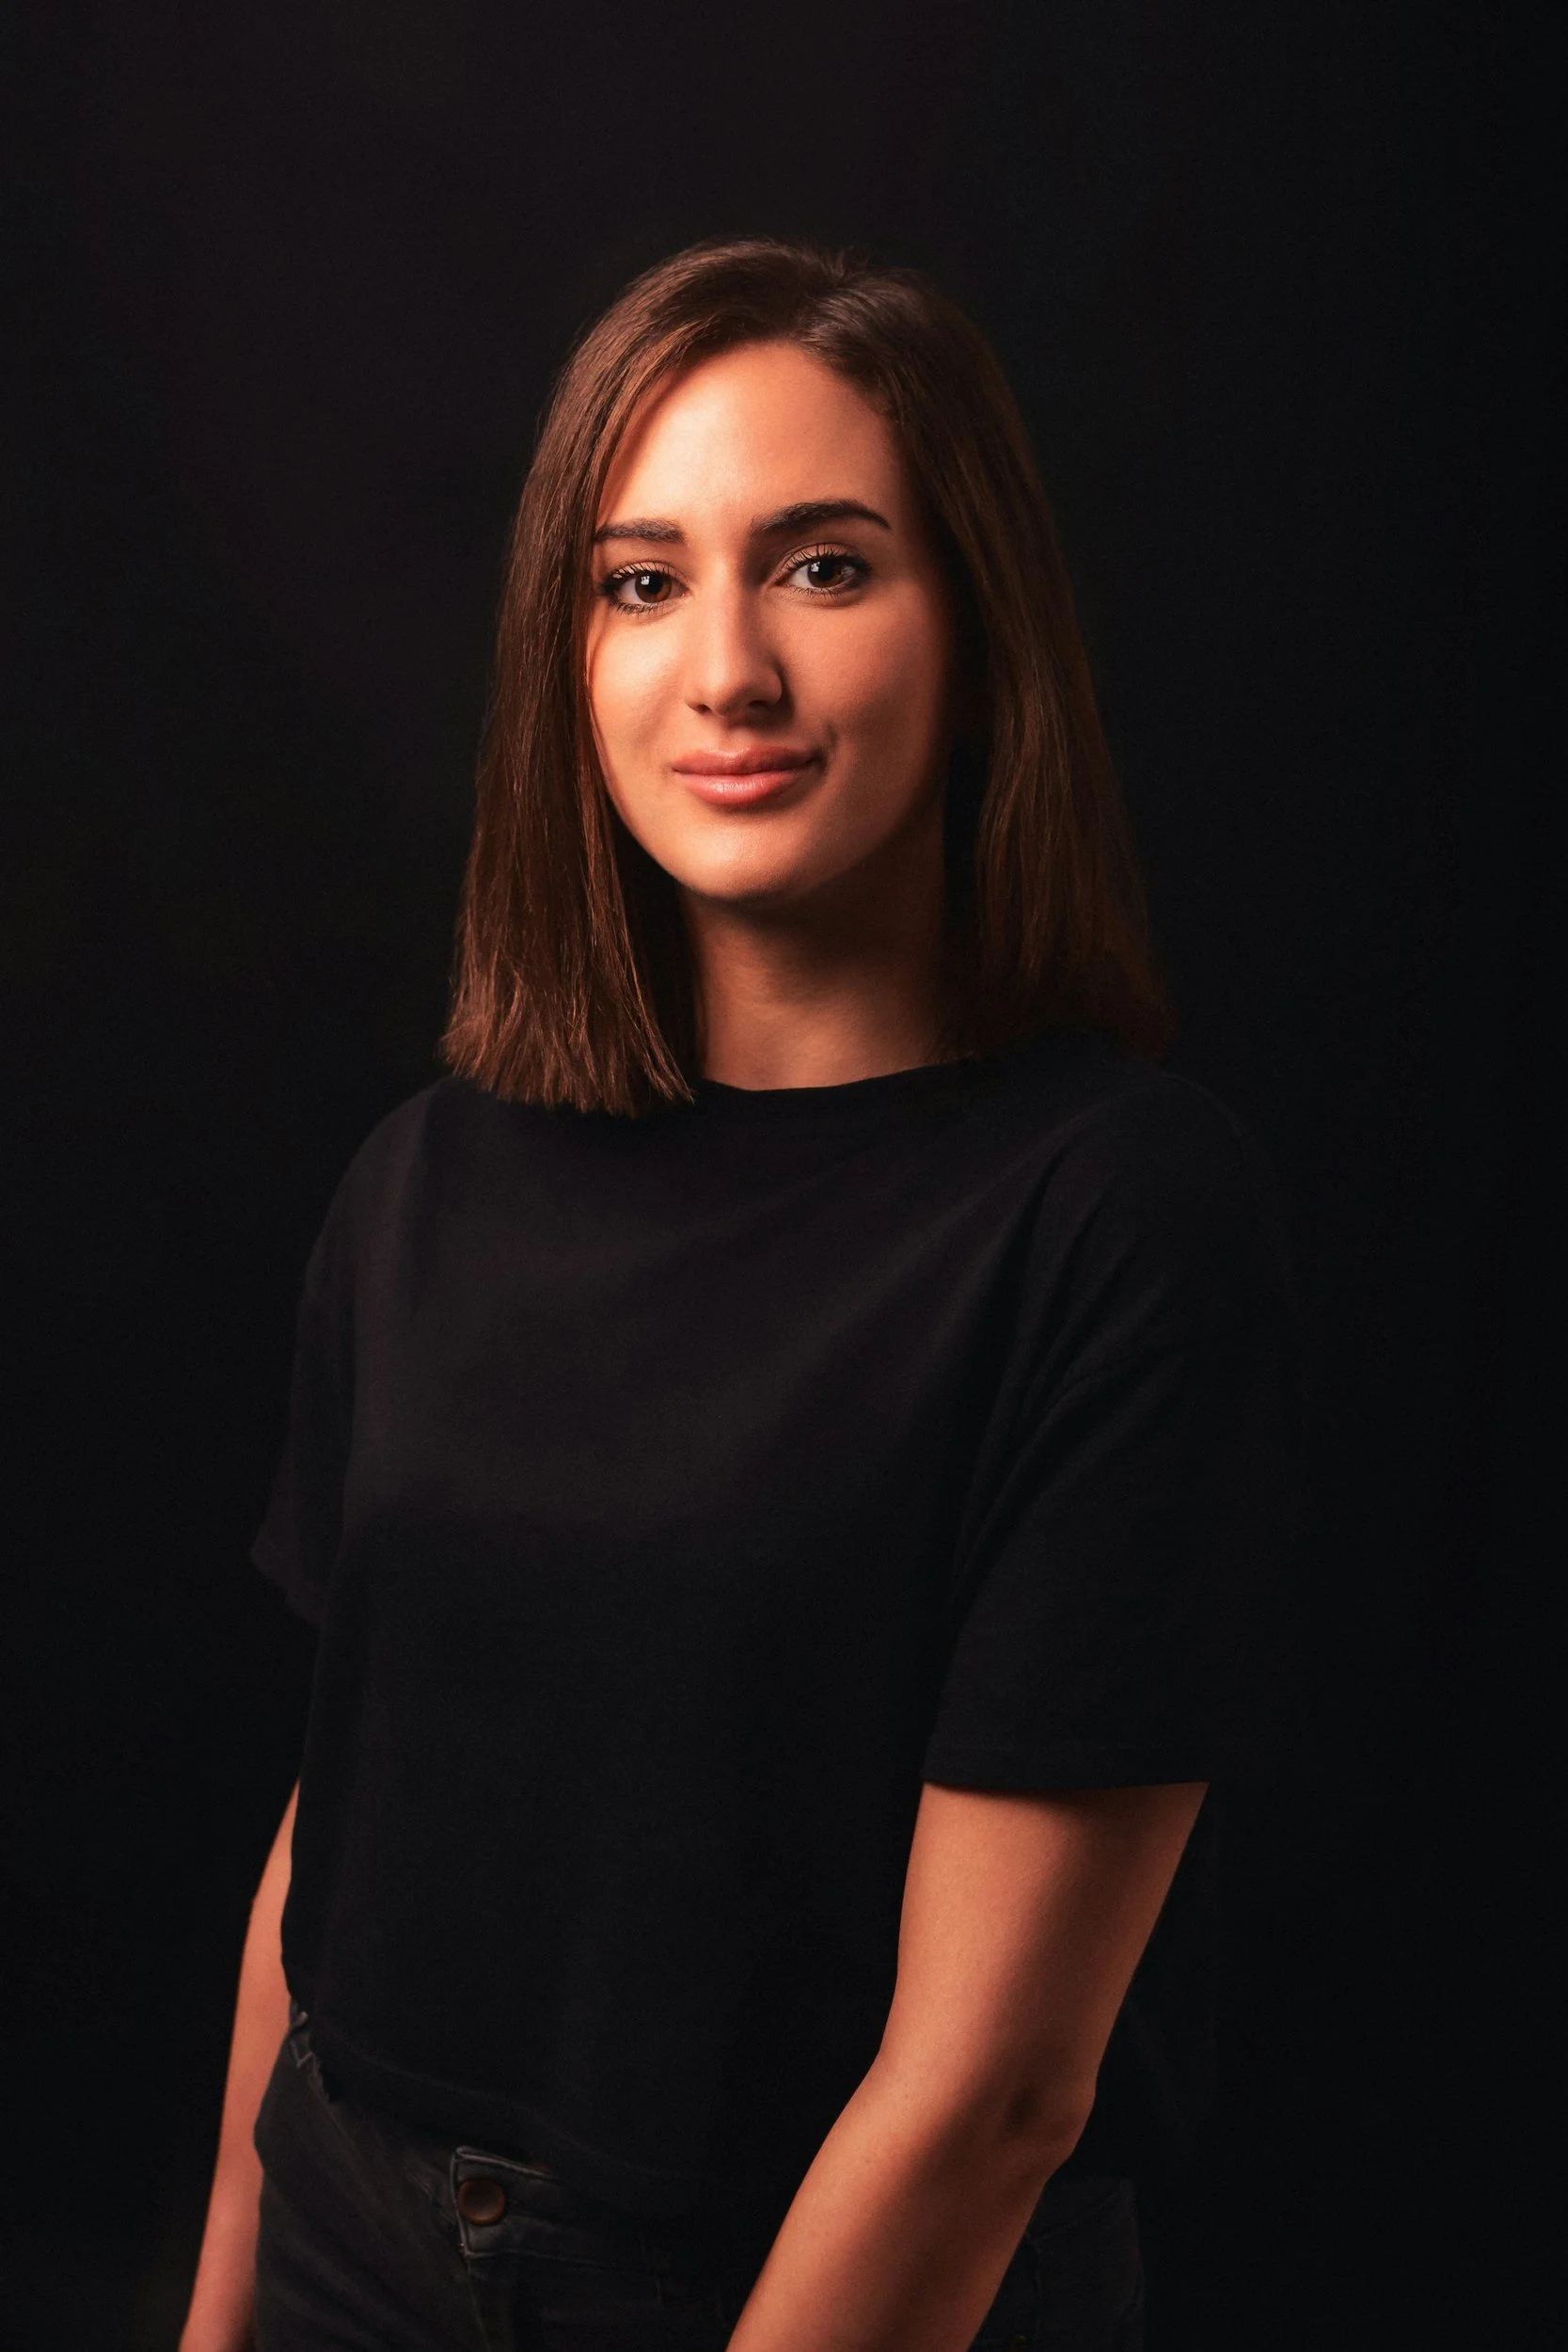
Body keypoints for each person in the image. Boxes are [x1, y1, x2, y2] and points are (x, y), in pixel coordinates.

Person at [180, 236, 1302, 2352]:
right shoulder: (425, 1178)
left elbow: (989, 2095)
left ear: (975, 626)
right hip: (348, 2235)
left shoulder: (1115, 1214)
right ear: (565, 650)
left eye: (820, 566)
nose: (723, 673)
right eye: (637, 579)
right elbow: (339, 1825)